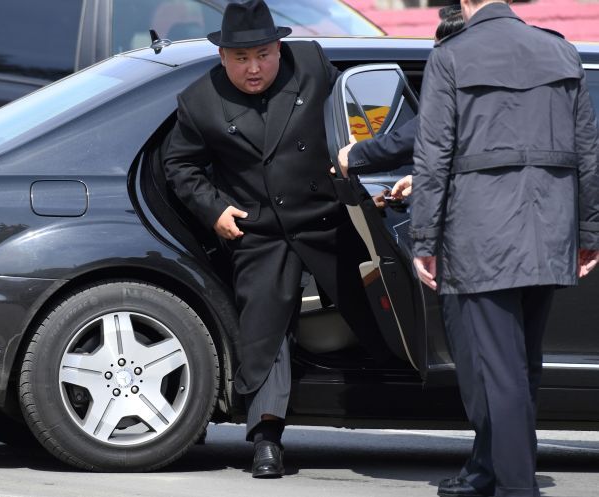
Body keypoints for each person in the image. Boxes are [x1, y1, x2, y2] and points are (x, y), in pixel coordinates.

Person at [164, 0, 384, 479]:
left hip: (328, 219)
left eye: (262, 55)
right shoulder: (200, 100)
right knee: (265, 331)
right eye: (241, 58)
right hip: (260, 229)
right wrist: (214, 208)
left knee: (377, 307)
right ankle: (266, 438)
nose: (253, 68)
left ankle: (412, 392)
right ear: (222, 56)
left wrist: (357, 152)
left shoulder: (312, 64)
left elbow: (356, 113)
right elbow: (179, 164)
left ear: (278, 49)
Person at [410, 1, 599, 496]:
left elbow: (432, 157)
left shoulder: (451, 55)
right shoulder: (561, 51)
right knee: (523, 366)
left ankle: (517, 488)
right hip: (550, 228)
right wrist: (588, 231)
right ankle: (498, 475)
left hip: (482, 233)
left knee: (501, 371)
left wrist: (424, 238)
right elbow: (588, 152)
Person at [336, 7, 464, 195]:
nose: (434, 61)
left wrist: (355, 154)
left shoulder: (465, 93)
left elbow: (416, 136)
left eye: (437, 50)